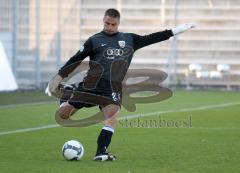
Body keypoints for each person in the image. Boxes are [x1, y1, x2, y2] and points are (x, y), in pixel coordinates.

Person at [45, 8, 195, 161]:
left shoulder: (129, 39)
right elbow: (75, 59)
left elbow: (152, 38)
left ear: (118, 23)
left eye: (113, 24)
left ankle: (101, 152)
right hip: (91, 85)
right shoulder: (94, 40)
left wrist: (175, 31)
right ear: (103, 21)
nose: (109, 27)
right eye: (107, 23)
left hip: (112, 87)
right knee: (63, 116)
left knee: (112, 117)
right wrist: (58, 77)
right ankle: (66, 95)